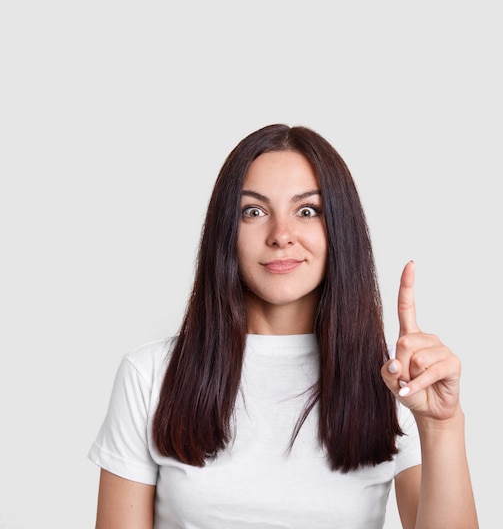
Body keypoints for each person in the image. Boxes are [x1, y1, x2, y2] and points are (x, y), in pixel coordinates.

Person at [89, 123, 479, 529]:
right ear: (226, 232)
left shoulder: (395, 381)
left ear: (339, 231)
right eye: (253, 212)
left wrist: (441, 426)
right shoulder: (150, 374)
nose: (281, 235)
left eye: (307, 211)